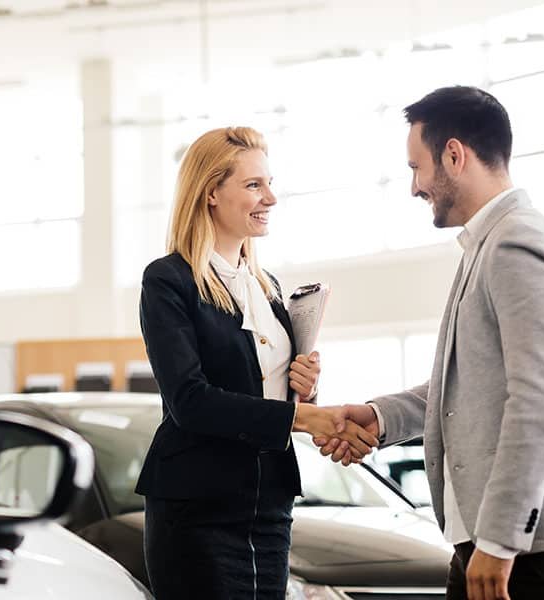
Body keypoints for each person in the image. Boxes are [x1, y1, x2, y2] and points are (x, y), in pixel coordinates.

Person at [316, 87, 544, 600]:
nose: (415, 187)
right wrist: (381, 415)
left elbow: (540, 400)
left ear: (455, 155)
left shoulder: (517, 243)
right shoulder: (489, 245)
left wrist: (501, 541)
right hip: (498, 541)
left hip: (532, 549)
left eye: (417, 167)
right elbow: (471, 386)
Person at [134, 126, 378, 600]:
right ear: (210, 193)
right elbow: (190, 401)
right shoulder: (168, 281)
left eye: (269, 182)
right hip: (198, 509)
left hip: (270, 507)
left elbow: (267, 394)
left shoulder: (267, 287)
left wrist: (304, 391)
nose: (271, 196)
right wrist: (303, 416)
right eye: (253, 185)